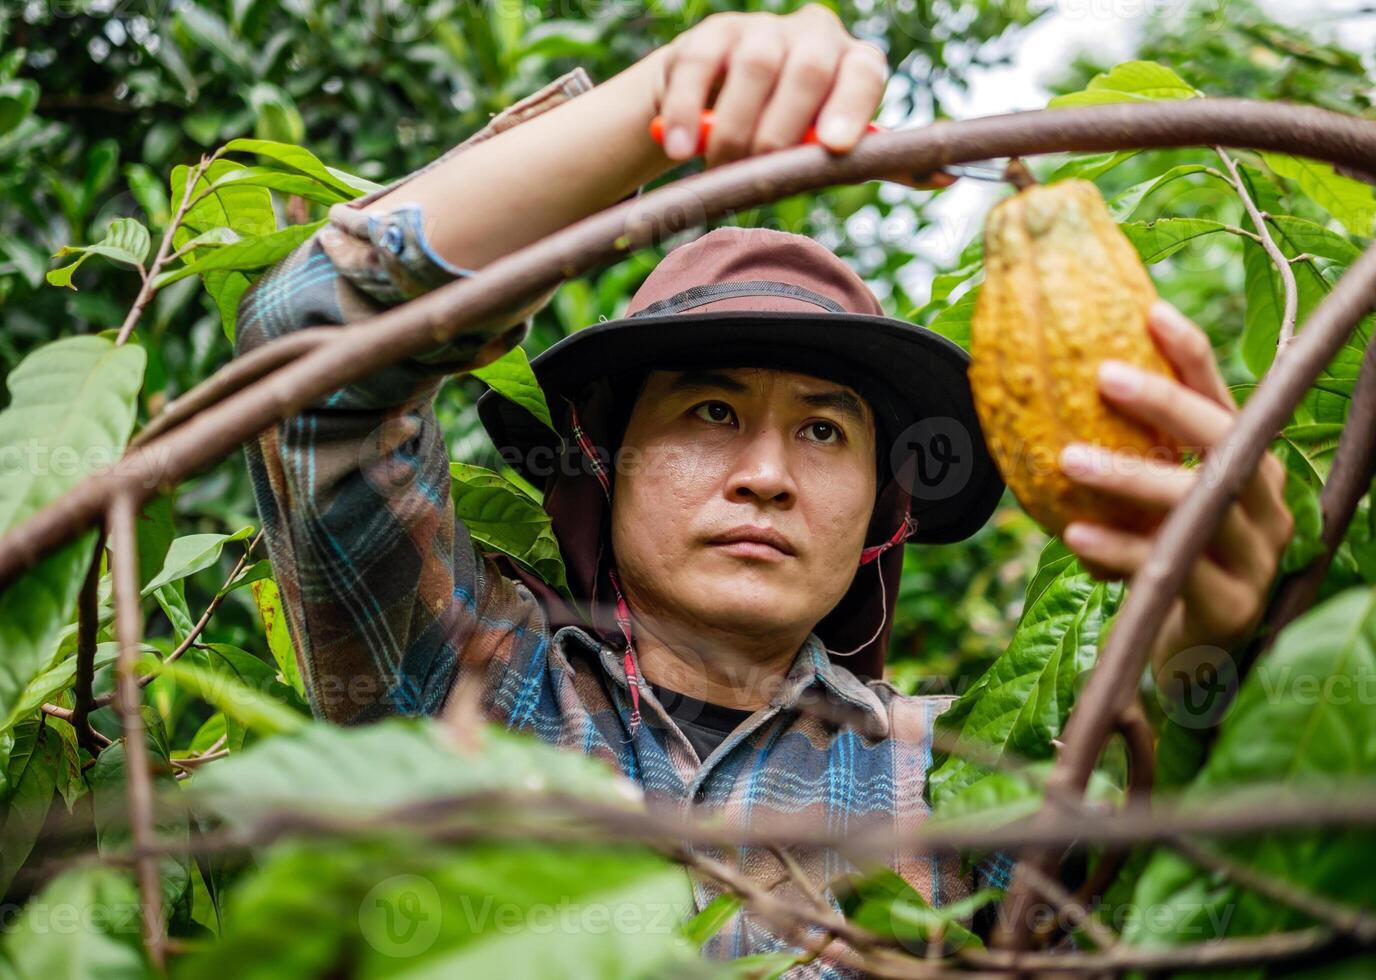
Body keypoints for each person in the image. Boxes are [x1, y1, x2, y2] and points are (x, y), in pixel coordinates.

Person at [232, 6, 1295, 970]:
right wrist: (649, 109)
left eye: (824, 428)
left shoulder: (966, 784)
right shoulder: (464, 686)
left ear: (883, 505)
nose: (765, 475)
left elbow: (1208, 912)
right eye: (708, 411)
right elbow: (306, 351)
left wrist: (1214, 657)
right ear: (603, 461)